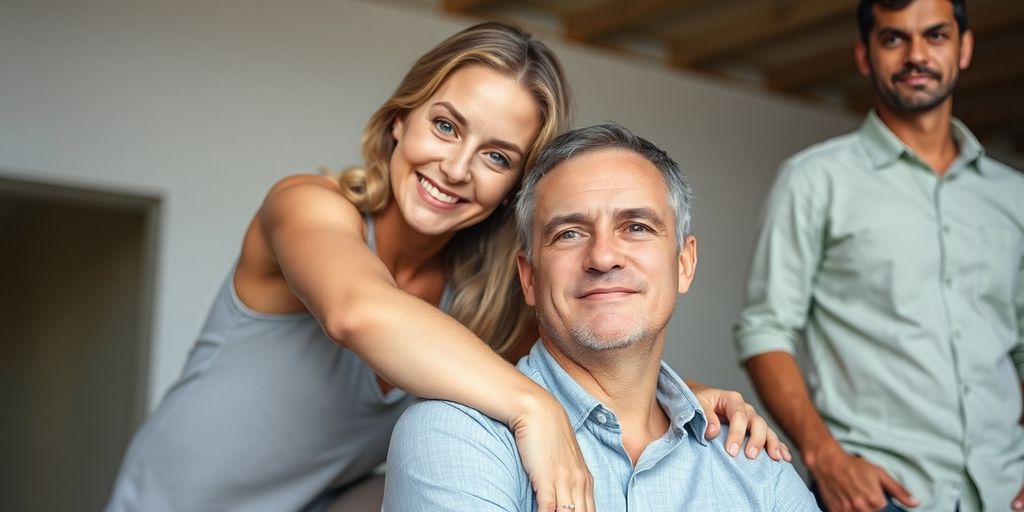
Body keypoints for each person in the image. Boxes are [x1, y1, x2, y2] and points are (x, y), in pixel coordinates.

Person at [105, 22, 786, 512]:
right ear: (400, 120)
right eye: (446, 126)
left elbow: (582, 367)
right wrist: (534, 412)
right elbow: (358, 312)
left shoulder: (481, 306)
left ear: (516, 186)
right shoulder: (306, 206)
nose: (456, 170)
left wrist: (685, 398)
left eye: (496, 157)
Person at [383, 123, 819, 511]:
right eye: (569, 233)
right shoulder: (455, 436)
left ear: (684, 264)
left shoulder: (753, 461)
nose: (604, 256)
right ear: (529, 277)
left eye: (636, 227)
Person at [735, 1, 1024, 511]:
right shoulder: (815, 180)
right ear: (865, 56)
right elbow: (765, 331)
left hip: (1004, 491)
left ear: (966, 48)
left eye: (936, 36)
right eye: (894, 39)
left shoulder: (1013, 195)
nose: (917, 55)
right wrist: (824, 457)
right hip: (880, 494)